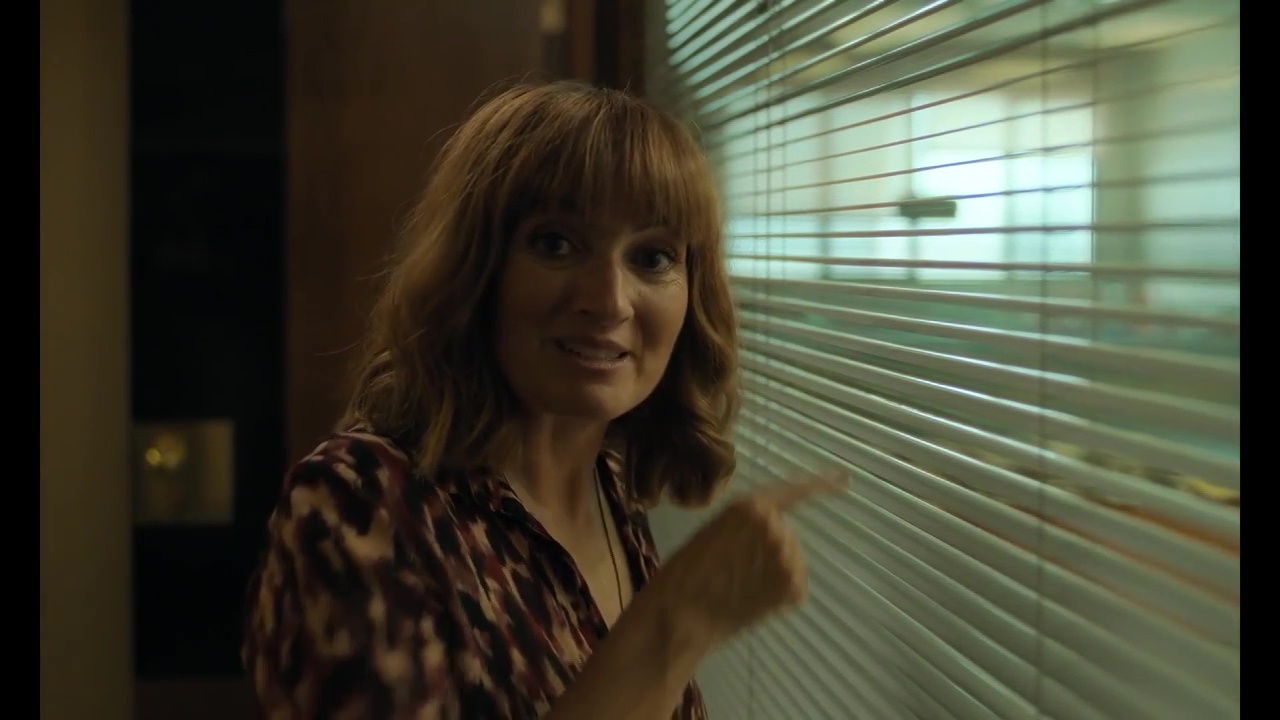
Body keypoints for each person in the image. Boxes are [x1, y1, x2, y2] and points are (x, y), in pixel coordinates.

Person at [242, 80, 843, 720]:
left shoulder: (608, 486)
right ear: (477, 270)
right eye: (557, 244)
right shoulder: (358, 502)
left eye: (652, 257)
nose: (608, 302)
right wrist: (678, 622)